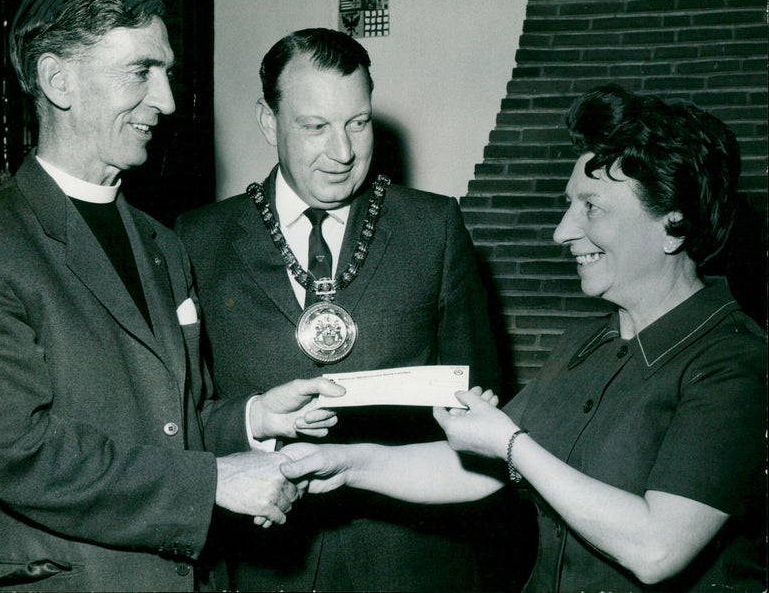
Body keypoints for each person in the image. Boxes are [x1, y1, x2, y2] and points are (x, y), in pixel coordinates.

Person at [280, 84, 768, 592]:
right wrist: (346, 463)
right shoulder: (582, 346)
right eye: (568, 205)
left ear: (674, 225)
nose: (562, 231)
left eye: (592, 207)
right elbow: (476, 465)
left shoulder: (737, 362)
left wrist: (511, 444)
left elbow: (656, 548)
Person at [0, 0, 308, 592]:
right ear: (58, 81)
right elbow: (19, 452)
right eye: (141, 71)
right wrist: (213, 483)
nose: (168, 101)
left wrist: (255, 418)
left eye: (167, 72)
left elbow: (175, 421)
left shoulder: (161, 243)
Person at [175, 28, 503, 591]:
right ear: (268, 122)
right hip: (262, 562)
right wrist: (253, 424)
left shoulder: (434, 227)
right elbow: (183, 415)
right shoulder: (198, 239)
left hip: (413, 562)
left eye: (358, 123)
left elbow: (481, 404)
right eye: (315, 126)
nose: (343, 152)